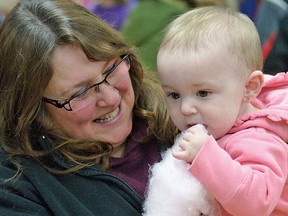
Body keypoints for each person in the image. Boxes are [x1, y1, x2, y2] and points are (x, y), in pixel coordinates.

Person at [0, 0, 177, 215]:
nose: (111, 98)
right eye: (80, 93)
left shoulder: (183, 112)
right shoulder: (17, 187)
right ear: (35, 112)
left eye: (111, 69)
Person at [156, 6, 288, 215]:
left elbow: (257, 204)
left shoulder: (259, 138)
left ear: (249, 87)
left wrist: (206, 156)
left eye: (203, 93)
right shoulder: (219, 126)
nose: (185, 108)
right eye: (174, 95)